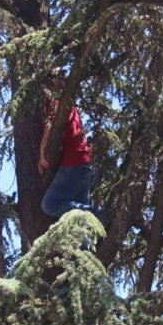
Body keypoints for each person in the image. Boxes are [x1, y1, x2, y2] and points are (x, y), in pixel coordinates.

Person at [38, 83, 104, 223]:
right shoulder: (68, 105)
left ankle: (100, 215)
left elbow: (49, 128)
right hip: (83, 162)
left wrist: (42, 153)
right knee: (80, 223)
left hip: (74, 162)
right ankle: (88, 243)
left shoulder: (55, 103)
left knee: (50, 205)